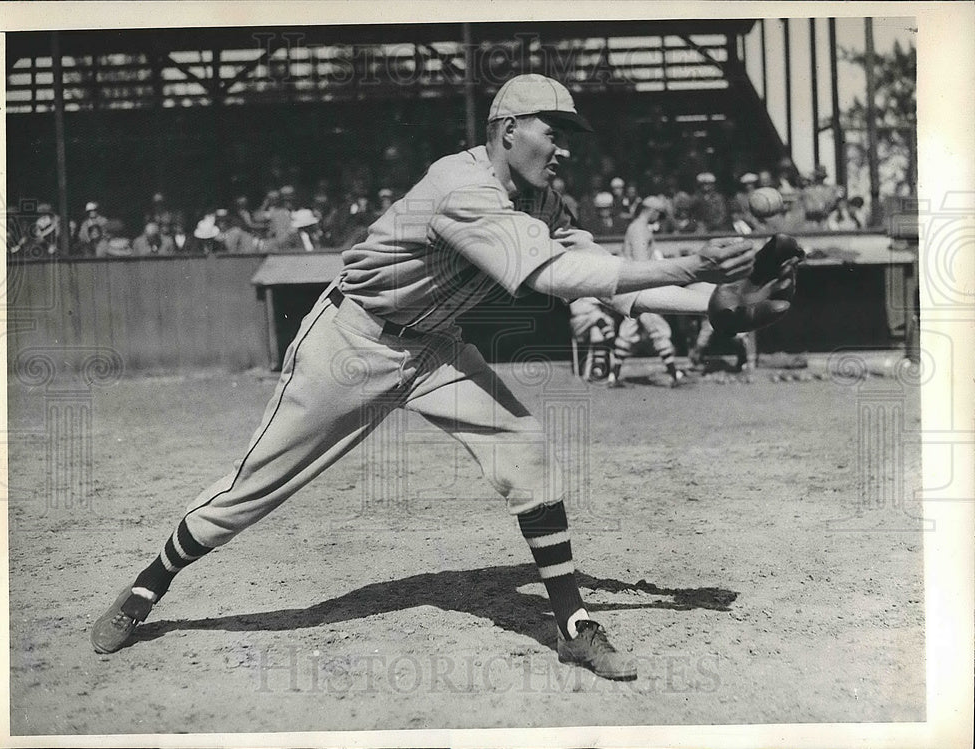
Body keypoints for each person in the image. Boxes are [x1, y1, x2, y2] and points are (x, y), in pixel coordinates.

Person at [91, 74, 785, 681]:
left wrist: (712, 305)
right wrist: (684, 269)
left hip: (432, 349)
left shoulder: (543, 199)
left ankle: (572, 624)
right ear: (508, 131)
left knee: (526, 447)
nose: (566, 146)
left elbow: (593, 270)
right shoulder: (461, 185)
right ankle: (148, 586)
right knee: (251, 488)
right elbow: (552, 274)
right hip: (352, 340)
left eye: (571, 134)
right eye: (555, 130)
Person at [608, 196, 685, 387]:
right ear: (651, 210)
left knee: (628, 332)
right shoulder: (639, 229)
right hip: (638, 288)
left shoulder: (636, 227)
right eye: (658, 213)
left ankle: (613, 376)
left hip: (631, 287)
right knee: (658, 329)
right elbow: (642, 264)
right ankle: (674, 375)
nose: (658, 218)